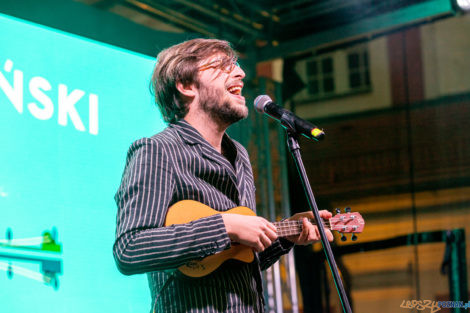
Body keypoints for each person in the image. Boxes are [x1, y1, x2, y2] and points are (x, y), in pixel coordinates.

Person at [113, 38, 333, 313]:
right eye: (224, 65)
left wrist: (286, 234)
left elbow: (232, 260)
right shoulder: (157, 151)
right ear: (186, 85)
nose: (240, 72)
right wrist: (224, 226)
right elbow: (130, 249)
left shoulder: (239, 155)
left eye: (238, 65)